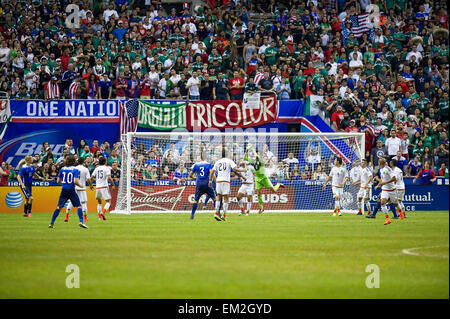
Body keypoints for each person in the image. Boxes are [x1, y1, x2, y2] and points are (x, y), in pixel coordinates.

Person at [48, 155, 88, 229]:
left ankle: (51, 223)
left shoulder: (62, 169)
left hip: (64, 189)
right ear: (74, 161)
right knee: (79, 205)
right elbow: (75, 181)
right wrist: (80, 185)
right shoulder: (75, 169)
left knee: (59, 207)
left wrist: (64, 184)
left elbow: (58, 181)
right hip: (71, 189)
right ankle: (81, 222)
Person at [243, 145, 285, 214]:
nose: (256, 155)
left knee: (274, 191)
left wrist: (252, 149)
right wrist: (247, 150)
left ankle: (278, 184)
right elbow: (245, 158)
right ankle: (261, 208)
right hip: (257, 178)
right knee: (258, 192)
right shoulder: (253, 161)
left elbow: (257, 156)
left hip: (264, 178)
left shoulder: (261, 161)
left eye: (258, 154)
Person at [210, 147, 245, 221]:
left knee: (218, 197)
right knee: (226, 198)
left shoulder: (217, 162)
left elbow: (212, 171)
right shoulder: (229, 161)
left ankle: (216, 213)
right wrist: (243, 170)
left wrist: (210, 181)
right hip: (226, 181)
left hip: (219, 181)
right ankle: (224, 215)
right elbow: (235, 169)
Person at [188, 152, 216, 220]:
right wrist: (214, 181)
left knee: (196, 200)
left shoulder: (196, 165)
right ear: (206, 157)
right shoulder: (209, 164)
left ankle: (192, 215)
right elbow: (212, 173)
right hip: (207, 183)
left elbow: (190, 175)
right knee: (214, 199)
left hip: (199, 183)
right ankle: (218, 213)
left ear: (200, 158)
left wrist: (195, 178)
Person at [65, 157, 92, 223]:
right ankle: (85, 218)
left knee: (71, 202)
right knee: (83, 203)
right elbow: (88, 179)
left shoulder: (74, 168)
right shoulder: (85, 169)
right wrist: (91, 185)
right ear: (83, 162)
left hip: (74, 188)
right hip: (82, 188)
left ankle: (66, 216)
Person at [374, 159, 400, 226]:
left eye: (379, 163)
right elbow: (383, 179)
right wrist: (378, 185)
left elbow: (394, 179)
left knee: (395, 204)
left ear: (380, 163)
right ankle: (387, 219)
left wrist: (384, 183)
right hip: (385, 190)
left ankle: (401, 212)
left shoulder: (388, 169)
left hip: (392, 190)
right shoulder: (381, 169)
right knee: (382, 202)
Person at [90, 156, 115, 221]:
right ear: (105, 162)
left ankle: (99, 217)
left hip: (98, 187)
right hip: (104, 186)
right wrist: (113, 184)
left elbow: (91, 178)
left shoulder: (96, 169)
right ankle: (103, 213)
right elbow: (109, 178)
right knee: (108, 202)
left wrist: (91, 185)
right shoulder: (106, 168)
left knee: (99, 202)